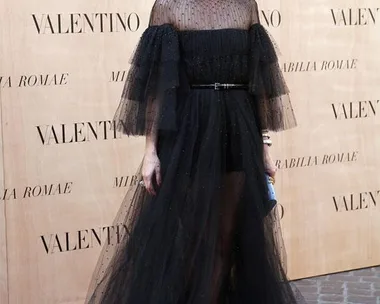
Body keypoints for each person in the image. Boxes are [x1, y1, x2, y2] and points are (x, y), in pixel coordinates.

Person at [86, 0, 307, 303]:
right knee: (192, 236)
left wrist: (264, 146)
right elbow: (156, 86)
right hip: (189, 129)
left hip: (237, 126)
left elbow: (258, 85)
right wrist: (150, 151)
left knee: (227, 236)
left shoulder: (245, 6)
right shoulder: (169, 6)